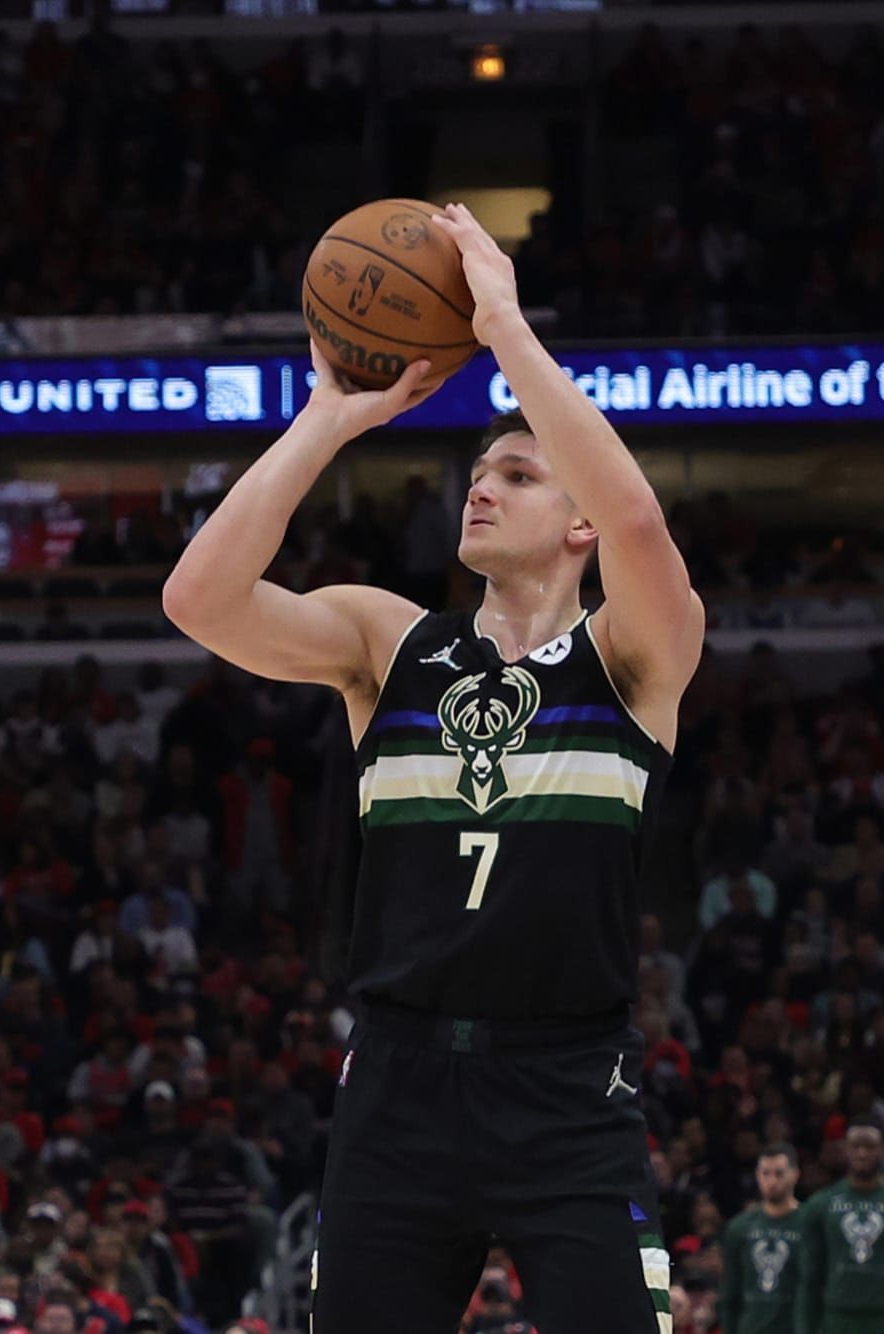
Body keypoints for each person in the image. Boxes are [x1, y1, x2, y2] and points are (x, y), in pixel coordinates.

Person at [164, 204, 704, 1333]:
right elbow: (196, 600)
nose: (480, 484)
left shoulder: (631, 655)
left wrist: (502, 326)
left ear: (576, 527)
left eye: (516, 472)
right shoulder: (386, 638)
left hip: (565, 1086)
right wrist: (323, 418)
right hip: (398, 1081)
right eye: (477, 468)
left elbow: (640, 518)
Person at [796, 1123, 884, 1334]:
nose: (862, 1153)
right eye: (855, 1146)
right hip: (836, 1318)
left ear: (881, 1149)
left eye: (870, 1146)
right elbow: (809, 1276)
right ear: (845, 1149)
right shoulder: (820, 1205)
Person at [718, 1142, 802, 1334]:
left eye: (779, 1174)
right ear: (757, 1175)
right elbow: (730, 1292)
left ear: (795, 1174)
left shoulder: (809, 1223)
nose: (771, 1181)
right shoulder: (739, 1228)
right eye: (765, 1173)